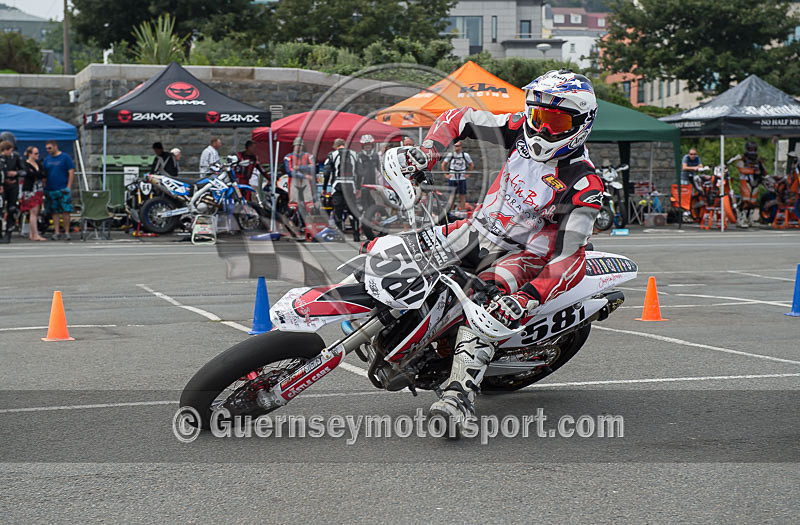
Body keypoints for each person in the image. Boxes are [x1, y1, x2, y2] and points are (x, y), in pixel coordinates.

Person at [368, 69, 602, 432]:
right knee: (393, 251)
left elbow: (570, 256)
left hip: (525, 256)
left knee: (484, 306)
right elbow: (459, 117)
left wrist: (527, 297)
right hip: (477, 230)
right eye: (539, 116)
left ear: (582, 124)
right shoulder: (518, 128)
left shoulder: (583, 182)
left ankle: (459, 396)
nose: (542, 130)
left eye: (555, 122)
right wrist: (426, 153)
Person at [323, 138, 360, 241]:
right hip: (351, 186)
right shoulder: (355, 154)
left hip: (337, 185)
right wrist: (358, 187)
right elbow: (360, 172)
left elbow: (326, 173)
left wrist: (325, 187)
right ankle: (356, 235)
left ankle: (340, 236)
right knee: (353, 211)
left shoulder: (332, 155)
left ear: (335, 146)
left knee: (337, 211)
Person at [42, 140, 75, 240]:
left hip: (62, 188)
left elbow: (71, 171)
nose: (48, 150)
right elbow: (44, 174)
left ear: (55, 146)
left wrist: (69, 186)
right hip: (50, 189)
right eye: (47, 149)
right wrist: (44, 186)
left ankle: (67, 232)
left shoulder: (65, 157)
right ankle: (57, 231)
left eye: (50, 148)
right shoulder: (47, 160)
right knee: (54, 211)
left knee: (66, 210)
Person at [734, 141, 767, 228]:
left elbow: (764, 171)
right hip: (745, 181)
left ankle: (750, 219)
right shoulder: (743, 159)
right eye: (750, 149)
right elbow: (741, 169)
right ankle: (740, 219)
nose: (752, 151)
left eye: (754, 149)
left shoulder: (758, 161)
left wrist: (762, 171)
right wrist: (753, 171)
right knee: (746, 201)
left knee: (753, 203)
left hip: (756, 182)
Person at [283, 137, 316, 215]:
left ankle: (310, 220)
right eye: (297, 145)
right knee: (293, 204)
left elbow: (313, 167)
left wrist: (299, 168)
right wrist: (304, 175)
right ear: (294, 146)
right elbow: (289, 171)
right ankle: (293, 220)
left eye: (300, 145)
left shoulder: (308, 156)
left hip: (306, 181)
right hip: (294, 181)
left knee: (309, 203)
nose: (298, 147)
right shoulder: (288, 157)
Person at [21, 146, 47, 241]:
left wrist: (38, 174)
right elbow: (29, 174)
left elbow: (43, 174)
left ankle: (32, 234)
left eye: (38, 153)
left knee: (36, 211)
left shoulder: (38, 164)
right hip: (30, 189)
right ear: (30, 154)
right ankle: (35, 234)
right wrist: (38, 174)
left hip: (38, 189)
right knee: (33, 211)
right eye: (35, 153)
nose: (37, 155)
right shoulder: (25, 164)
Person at [440, 141, 474, 211]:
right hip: (452, 177)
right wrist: (446, 174)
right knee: (452, 196)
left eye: (457, 146)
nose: (455, 147)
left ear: (461, 147)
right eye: (455, 146)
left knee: (462, 196)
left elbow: (471, 164)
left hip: (461, 177)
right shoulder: (451, 155)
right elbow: (443, 164)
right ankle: (451, 211)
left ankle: (463, 211)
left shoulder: (465, 155)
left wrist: (468, 174)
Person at [0, 140, 25, 232]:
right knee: (1, 207)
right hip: (2, 186)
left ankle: (9, 228)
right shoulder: (1, 158)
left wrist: (16, 173)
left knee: (12, 207)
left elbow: (24, 171)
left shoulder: (16, 157)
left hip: (13, 185)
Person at [356, 134, 381, 208]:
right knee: (363, 202)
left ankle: (372, 217)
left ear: (372, 145)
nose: (367, 146)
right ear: (362, 146)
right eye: (365, 145)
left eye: (369, 144)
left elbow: (380, 168)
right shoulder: (359, 156)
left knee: (373, 202)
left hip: (374, 184)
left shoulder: (376, 156)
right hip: (362, 185)